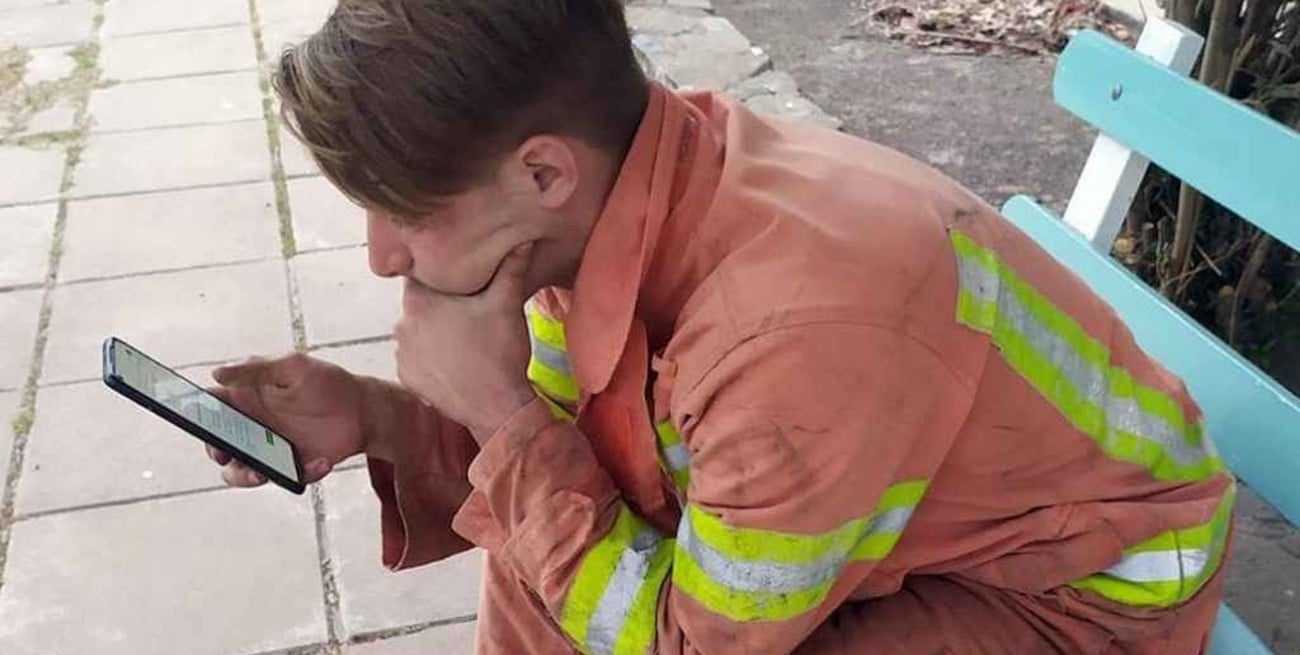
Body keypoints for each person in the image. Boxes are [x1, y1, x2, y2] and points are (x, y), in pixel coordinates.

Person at [205, 1, 1235, 652]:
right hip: (892, 522)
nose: (382, 257)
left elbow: (690, 645)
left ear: (542, 172)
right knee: (540, 528)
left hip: (1073, 596)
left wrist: (506, 423)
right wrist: (379, 418)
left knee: (542, 519)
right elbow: (589, 459)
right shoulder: (618, 194)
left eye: (405, 208)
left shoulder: (798, 332)